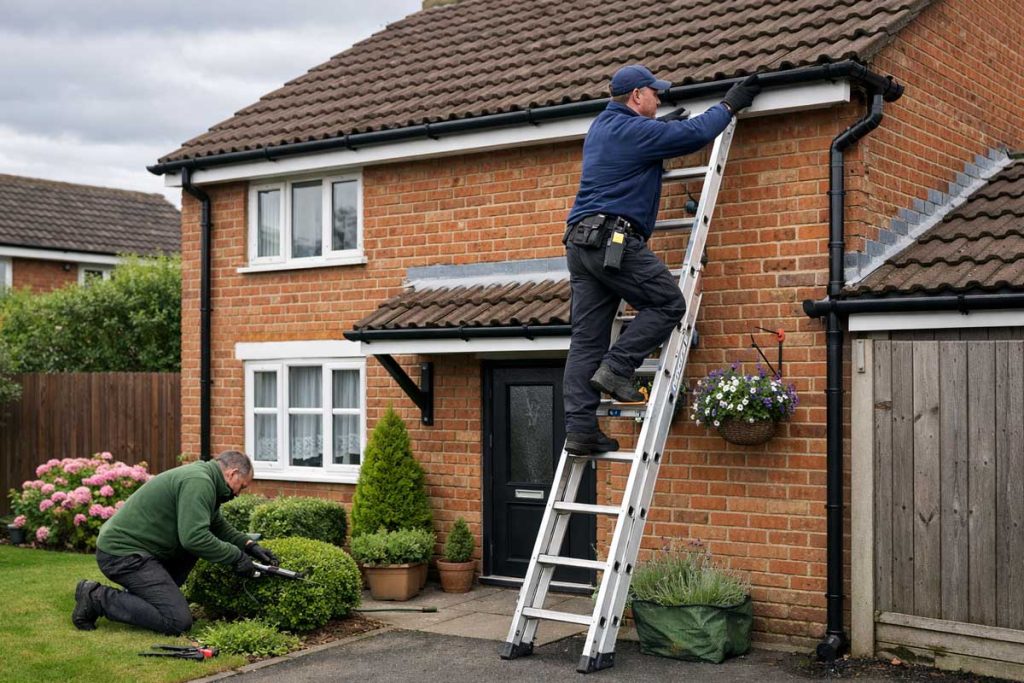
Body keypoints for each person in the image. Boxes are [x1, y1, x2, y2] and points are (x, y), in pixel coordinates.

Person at [562, 64, 761, 455]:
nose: (659, 98)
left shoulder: (602, 128)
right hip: (612, 239)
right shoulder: (635, 131)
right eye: (655, 93)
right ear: (637, 96)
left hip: (580, 244)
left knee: (586, 341)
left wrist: (660, 127)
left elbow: (644, 141)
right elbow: (693, 135)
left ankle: (581, 431)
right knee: (669, 303)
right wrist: (729, 106)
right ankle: (618, 368)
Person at [71, 450, 278, 635]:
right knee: (177, 621)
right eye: (241, 486)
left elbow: (217, 526)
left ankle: (139, 598)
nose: (238, 494)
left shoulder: (207, 480)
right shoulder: (199, 482)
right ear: (232, 473)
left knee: (188, 558)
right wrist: (236, 557)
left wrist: (249, 546)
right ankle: (96, 597)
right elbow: (194, 538)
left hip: (141, 552)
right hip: (122, 554)